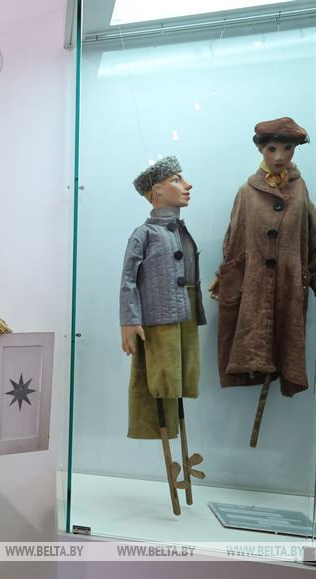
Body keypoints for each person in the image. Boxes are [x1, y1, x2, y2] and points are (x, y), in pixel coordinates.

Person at [120, 156, 206, 515]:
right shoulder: (144, 234)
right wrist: (129, 320)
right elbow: (128, 279)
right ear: (156, 191)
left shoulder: (181, 230)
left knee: (181, 386)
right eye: (176, 180)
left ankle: (183, 475)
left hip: (185, 319)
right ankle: (171, 467)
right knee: (160, 386)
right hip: (158, 322)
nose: (187, 185)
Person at [210, 117, 315, 397]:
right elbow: (234, 239)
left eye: (288, 148)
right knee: (256, 345)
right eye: (272, 149)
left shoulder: (300, 189)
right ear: (260, 149)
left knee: (286, 343)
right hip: (254, 288)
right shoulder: (247, 192)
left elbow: (311, 236)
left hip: (289, 288)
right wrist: (223, 277)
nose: (280, 157)